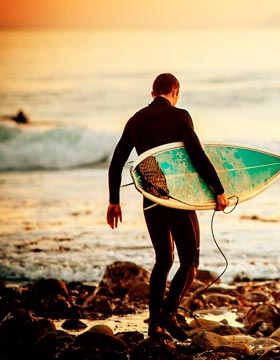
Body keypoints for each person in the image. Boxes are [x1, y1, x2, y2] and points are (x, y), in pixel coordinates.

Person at [106, 73, 229, 341]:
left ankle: (155, 327)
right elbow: (196, 155)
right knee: (190, 259)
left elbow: (116, 164)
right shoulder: (180, 116)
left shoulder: (135, 120)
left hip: (151, 198)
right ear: (176, 93)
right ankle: (168, 313)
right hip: (177, 198)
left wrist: (114, 201)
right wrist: (218, 190)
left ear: (152, 93)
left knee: (163, 260)